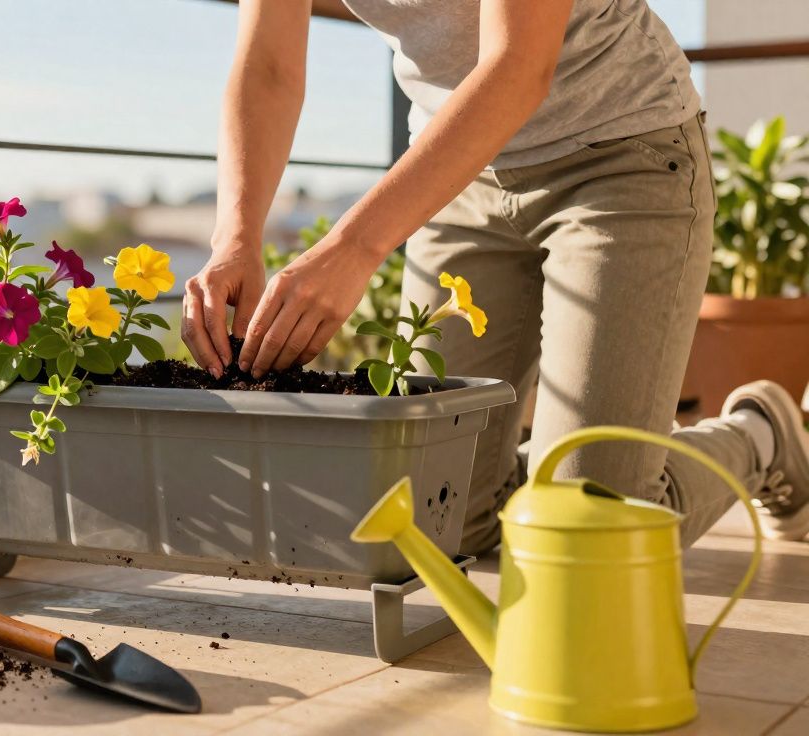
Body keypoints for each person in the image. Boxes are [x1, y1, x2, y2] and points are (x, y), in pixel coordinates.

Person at [181, 0, 809, 551]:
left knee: (591, 525)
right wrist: (235, 237)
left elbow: (517, 64)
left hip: (619, 157)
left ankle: (760, 436)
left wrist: (354, 246)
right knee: (442, 516)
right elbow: (268, 64)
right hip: (459, 180)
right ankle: (561, 475)